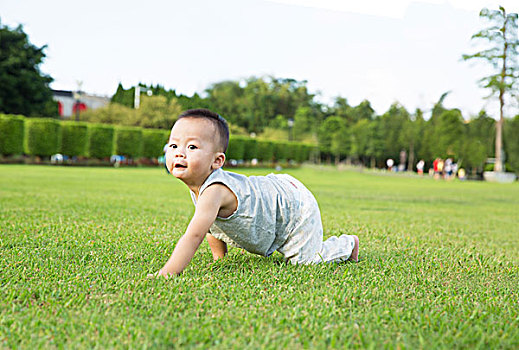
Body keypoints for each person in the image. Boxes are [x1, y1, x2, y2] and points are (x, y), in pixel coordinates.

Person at [151, 109, 359, 277]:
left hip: (293, 205)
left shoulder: (215, 190)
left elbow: (194, 234)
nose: (179, 152)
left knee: (304, 263)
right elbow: (210, 225)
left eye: (192, 147)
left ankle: (347, 245)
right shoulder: (201, 186)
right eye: (174, 145)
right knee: (206, 218)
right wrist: (219, 258)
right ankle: (220, 257)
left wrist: (168, 272)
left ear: (217, 161)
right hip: (274, 191)